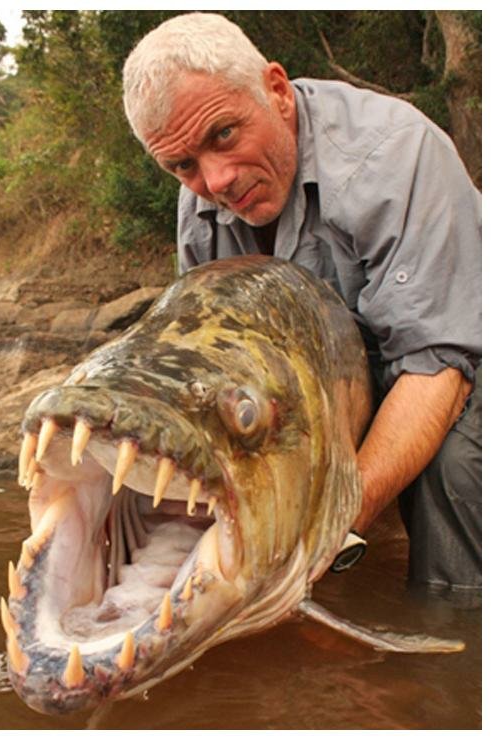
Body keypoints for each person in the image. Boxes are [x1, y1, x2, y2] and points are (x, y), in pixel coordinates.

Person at [122, 12, 481, 593]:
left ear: (277, 91)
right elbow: (214, 370)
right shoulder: (199, 211)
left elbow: (437, 364)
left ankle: (458, 647)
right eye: (182, 166)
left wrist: (326, 532)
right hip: (342, 373)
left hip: (458, 343)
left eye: (224, 136)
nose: (215, 182)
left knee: (452, 468)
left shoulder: (393, 154)